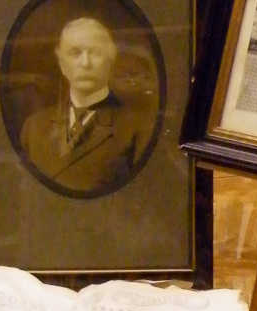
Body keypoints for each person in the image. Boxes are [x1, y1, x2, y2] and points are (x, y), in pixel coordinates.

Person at [19, 16, 156, 195]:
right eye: (75, 53)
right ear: (62, 64)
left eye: (95, 53)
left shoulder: (137, 128)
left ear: (110, 61)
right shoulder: (33, 127)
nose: (85, 63)